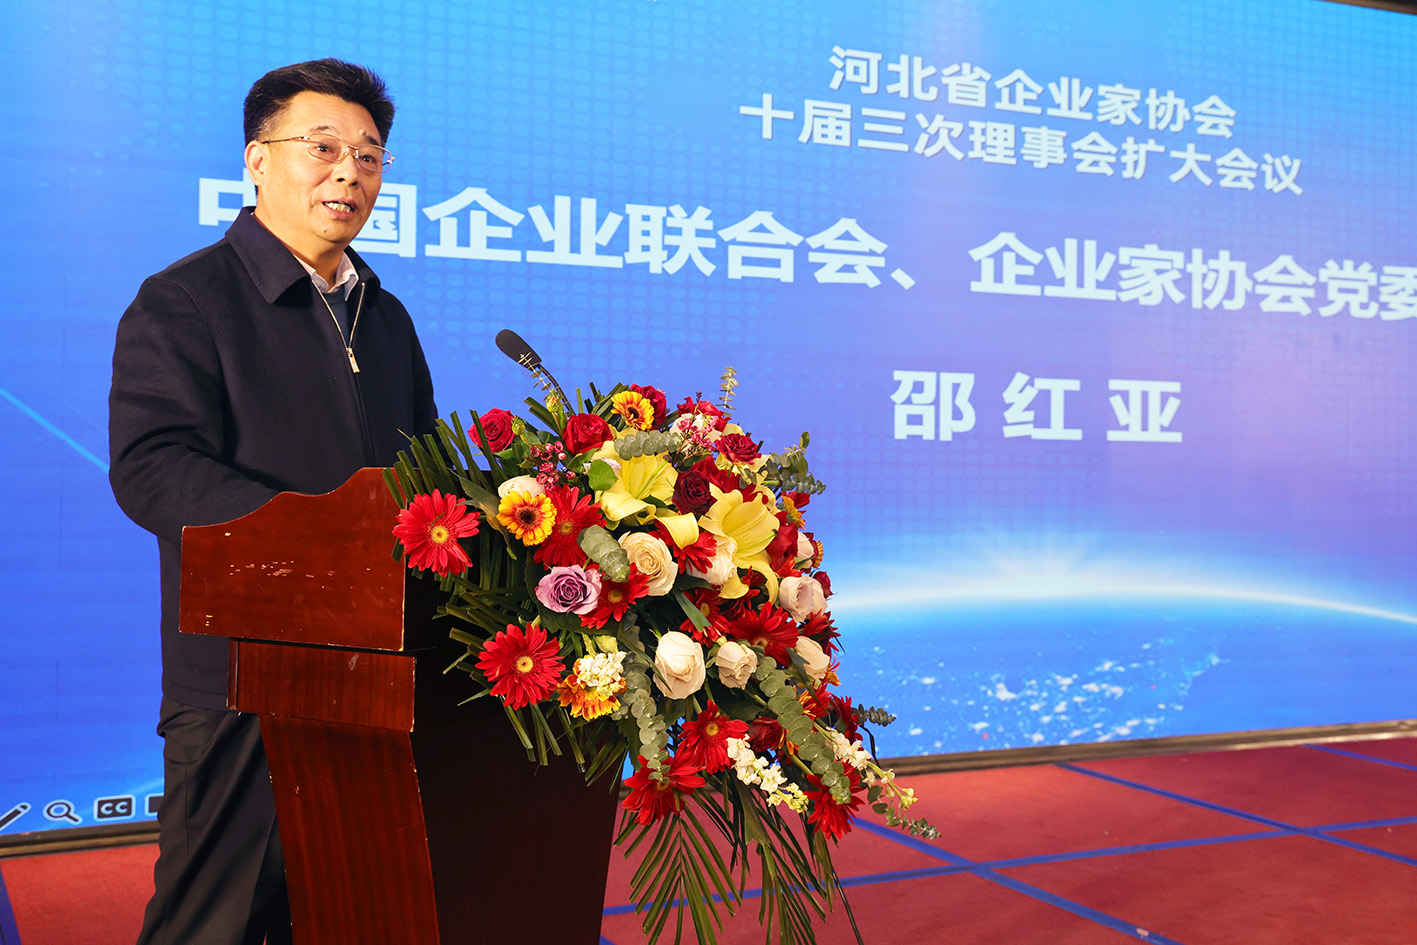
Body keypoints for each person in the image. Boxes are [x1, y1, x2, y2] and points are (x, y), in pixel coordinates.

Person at [108, 59, 437, 945]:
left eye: (368, 155)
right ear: (258, 159)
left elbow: (421, 480)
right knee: (212, 924)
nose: (349, 172)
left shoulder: (386, 316)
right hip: (244, 680)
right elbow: (151, 468)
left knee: (347, 919)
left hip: (374, 678)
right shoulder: (186, 300)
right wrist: (315, 541)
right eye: (322, 147)